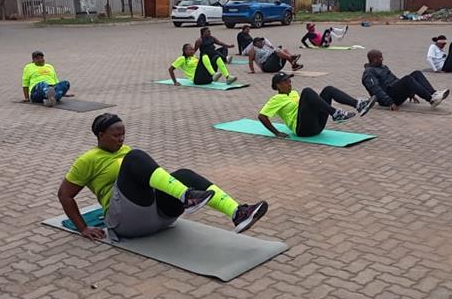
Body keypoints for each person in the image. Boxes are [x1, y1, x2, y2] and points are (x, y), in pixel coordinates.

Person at [58, 113, 268, 239]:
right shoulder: (88, 159)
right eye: (115, 135)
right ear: (100, 135)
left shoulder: (125, 149)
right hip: (125, 222)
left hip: (159, 218)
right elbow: (64, 195)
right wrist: (83, 227)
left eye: (123, 134)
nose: (121, 139)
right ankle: (186, 197)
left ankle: (237, 213)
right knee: (135, 156)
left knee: (183, 174)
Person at [258, 71, 376, 138]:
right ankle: (335, 113)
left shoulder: (293, 93)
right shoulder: (276, 99)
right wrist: (276, 133)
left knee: (328, 90)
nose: (289, 84)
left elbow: (309, 107)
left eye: (290, 81)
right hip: (302, 130)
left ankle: (358, 105)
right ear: (278, 85)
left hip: (317, 126)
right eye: (285, 82)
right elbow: (262, 116)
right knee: (307, 91)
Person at [363, 49, 449, 110]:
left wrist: (410, 92)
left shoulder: (383, 67)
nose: (382, 59)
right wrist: (390, 103)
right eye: (380, 58)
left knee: (416, 73)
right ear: (374, 60)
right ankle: (431, 100)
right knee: (407, 79)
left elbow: (395, 80)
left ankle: (434, 93)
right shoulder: (369, 73)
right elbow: (376, 90)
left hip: (394, 92)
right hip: (388, 98)